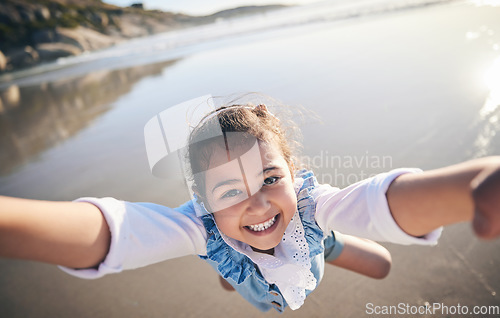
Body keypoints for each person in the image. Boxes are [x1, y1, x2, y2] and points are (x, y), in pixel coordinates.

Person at [0, 101, 499, 312]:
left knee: (382, 265)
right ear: (202, 202)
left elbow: (378, 202)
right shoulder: (200, 228)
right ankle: (236, 269)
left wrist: (470, 187)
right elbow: (118, 233)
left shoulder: (307, 203)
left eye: (270, 178)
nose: (257, 201)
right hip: (238, 258)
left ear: (291, 170)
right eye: (228, 192)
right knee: (231, 268)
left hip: (311, 242)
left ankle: (326, 246)